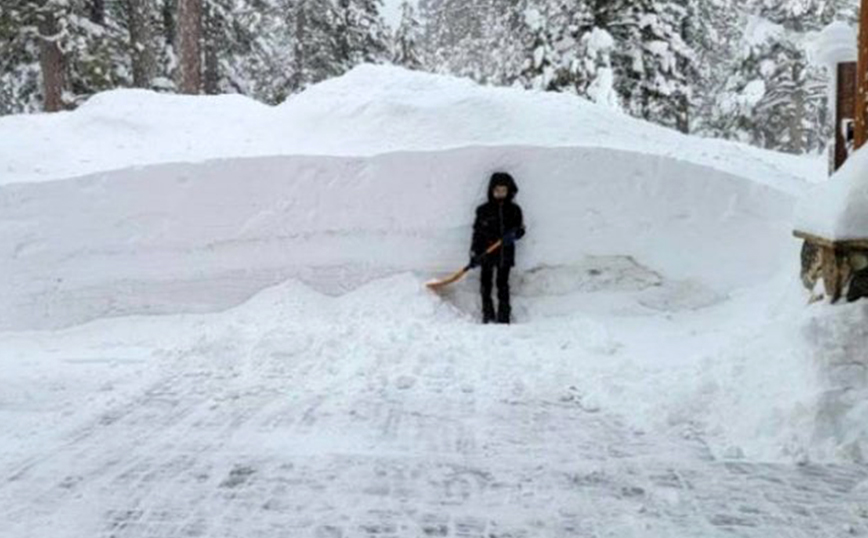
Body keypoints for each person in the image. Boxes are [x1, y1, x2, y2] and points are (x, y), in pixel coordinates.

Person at [470, 172, 526, 324]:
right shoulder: (483, 210)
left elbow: (521, 229)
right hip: (486, 253)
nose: (500, 193)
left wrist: (514, 234)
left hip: (504, 253)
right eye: (497, 190)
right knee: (485, 284)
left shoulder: (514, 210)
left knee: (503, 284)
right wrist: (474, 253)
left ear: (509, 191)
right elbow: (477, 233)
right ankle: (488, 314)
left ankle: (504, 316)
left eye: (503, 190)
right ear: (491, 190)